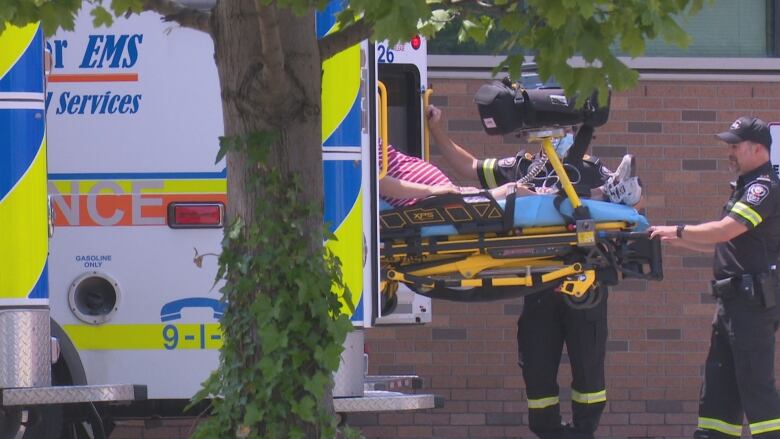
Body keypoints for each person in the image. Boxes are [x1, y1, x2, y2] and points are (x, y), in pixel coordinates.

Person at [649, 116, 780, 439]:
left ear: (758, 149)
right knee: (718, 391)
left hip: (751, 305)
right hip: (732, 304)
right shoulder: (745, 188)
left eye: (735, 146)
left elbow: (725, 230)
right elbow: (720, 241)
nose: (729, 152)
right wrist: (660, 236)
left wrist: (677, 230)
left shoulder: (763, 188)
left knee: (756, 388)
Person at [427, 105, 642, 207]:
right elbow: (469, 166)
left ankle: (606, 192)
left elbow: (636, 201)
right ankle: (604, 193)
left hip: (581, 271)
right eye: (559, 129)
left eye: (569, 130)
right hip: (537, 264)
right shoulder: (523, 166)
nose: (565, 135)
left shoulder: (588, 168)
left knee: (614, 190)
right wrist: (435, 129)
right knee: (518, 191)